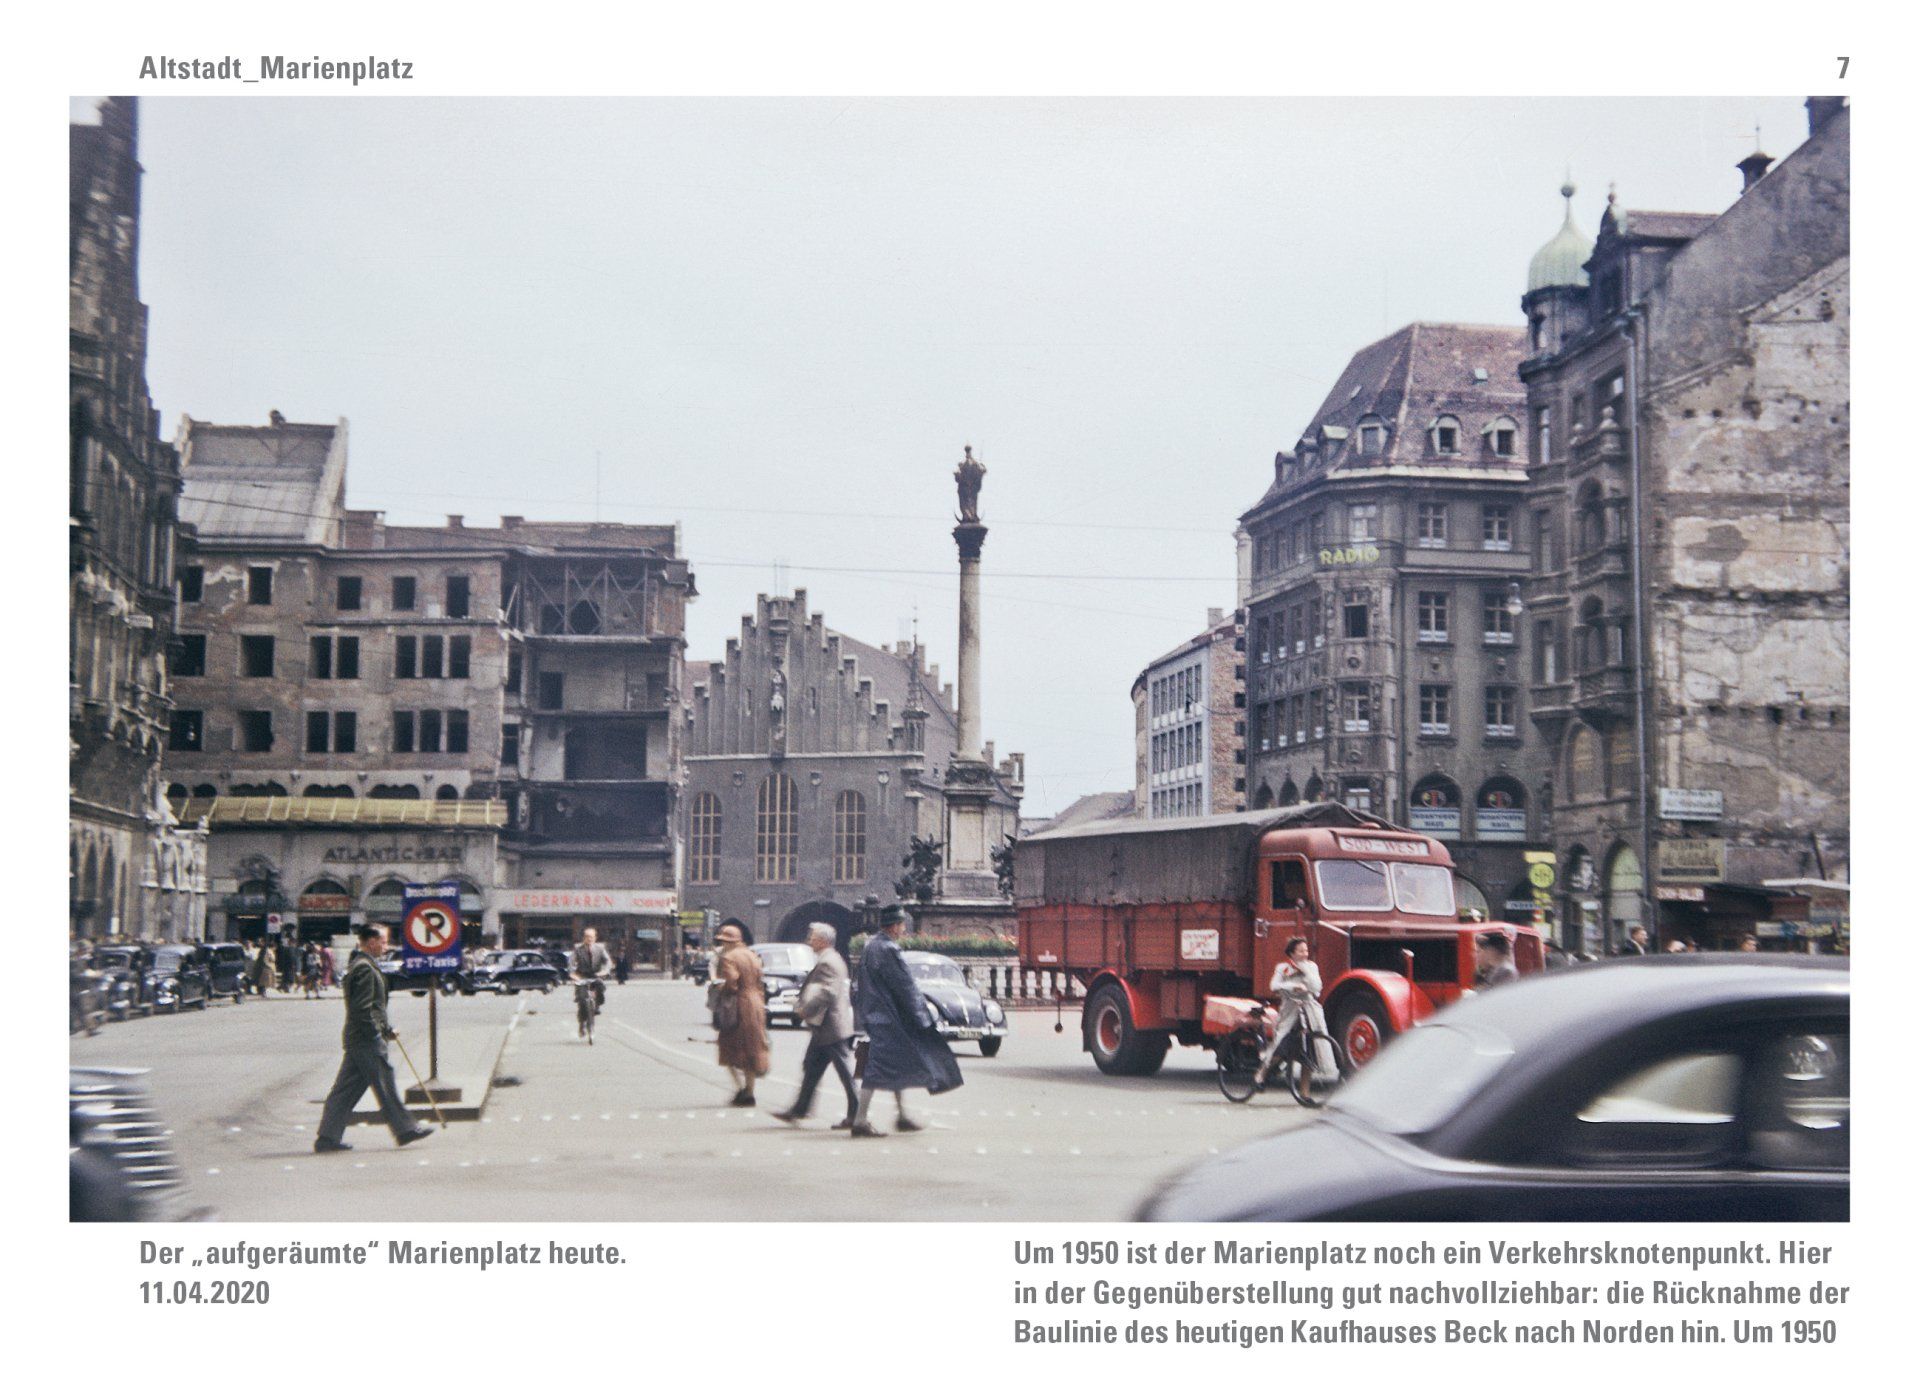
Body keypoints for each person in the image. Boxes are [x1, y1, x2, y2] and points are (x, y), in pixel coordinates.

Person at [313, 925, 433, 1153]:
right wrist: (378, 1033)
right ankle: (405, 1129)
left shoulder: (362, 966)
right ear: (371, 942)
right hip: (366, 1039)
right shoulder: (365, 969)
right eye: (384, 942)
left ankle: (327, 1137)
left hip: (359, 1038)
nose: (386, 947)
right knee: (384, 1081)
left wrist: (386, 1028)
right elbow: (364, 1009)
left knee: (345, 1090)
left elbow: (372, 1008)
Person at [851, 905, 962, 1137]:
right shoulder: (889, 949)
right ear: (893, 926)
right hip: (889, 1018)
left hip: (875, 1014)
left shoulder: (871, 946)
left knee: (895, 1064)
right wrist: (922, 1015)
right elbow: (905, 986)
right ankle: (860, 1120)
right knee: (877, 1068)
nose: (904, 929)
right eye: (901, 924)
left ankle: (901, 1116)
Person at [773, 924, 858, 1128]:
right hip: (824, 1027)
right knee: (812, 1068)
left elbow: (827, 992)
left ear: (823, 940)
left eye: (812, 936)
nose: (809, 940)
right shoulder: (830, 959)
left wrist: (806, 1009)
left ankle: (857, 1115)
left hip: (831, 1026)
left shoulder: (829, 961)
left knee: (846, 1075)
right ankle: (799, 1109)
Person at [712, 920, 769, 1105]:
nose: (722, 945)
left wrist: (722, 989)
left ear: (729, 942)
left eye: (723, 941)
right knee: (752, 1048)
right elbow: (760, 981)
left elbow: (732, 981)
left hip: (739, 1005)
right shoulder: (753, 956)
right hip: (756, 1004)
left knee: (729, 1047)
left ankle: (740, 1089)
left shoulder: (729, 958)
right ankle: (750, 1091)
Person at [1265, 936, 1338, 1080]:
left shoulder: (1312, 967)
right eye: (1300, 951)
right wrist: (1293, 986)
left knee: (1309, 1051)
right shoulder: (1283, 968)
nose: (1304, 954)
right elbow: (1274, 986)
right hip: (1291, 1011)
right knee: (1281, 1048)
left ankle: (1305, 1094)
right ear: (1292, 953)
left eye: (1306, 950)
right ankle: (1262, 1074)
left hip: (1310, 1011)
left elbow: (1317, 988)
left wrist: (1307, 978)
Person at [571, 926, 613, 1037]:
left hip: (596, 975)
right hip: (582, 976)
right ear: (583, 938)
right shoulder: (577, 949)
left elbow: (608, 961)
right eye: (587, 937)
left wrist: (605, 971)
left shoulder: (600, 948)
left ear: (595, 938)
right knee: (581, 1000)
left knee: (600, 987)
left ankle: (597, 1005)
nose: (589, 939)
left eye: (591, 937)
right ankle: (581, 1024)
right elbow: (571, 963)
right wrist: (573, 974)